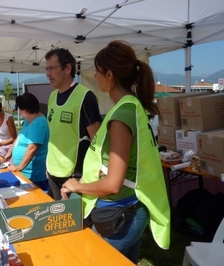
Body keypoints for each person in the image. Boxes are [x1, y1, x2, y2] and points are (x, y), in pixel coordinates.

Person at [60, 40, 171, 263]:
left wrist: (77, 186)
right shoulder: (129, 106)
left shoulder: (122, 115)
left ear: (109, 74)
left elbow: (113, 184)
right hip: (126, 209)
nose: (95, 76)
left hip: (122, 214)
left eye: (97, 71)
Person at [45, 48, 102, 200]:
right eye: (46, 69)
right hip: (52, 171)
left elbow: (97, 141)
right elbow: (54, 134)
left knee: (77, 222)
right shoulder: (52, 97)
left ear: (67, 68)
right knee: (59, 219)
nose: (47, 73)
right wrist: (48, 166)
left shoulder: (85, 96)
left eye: (52, 68)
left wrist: (84, 179)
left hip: (74, 176)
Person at [4, 92, 50, 191]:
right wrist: (10, 152)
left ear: (26, 109)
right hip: (25, 174)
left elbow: (32, 148)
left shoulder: (38, 124)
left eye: (20, 109)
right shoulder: (27, 121)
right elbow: (19, 137)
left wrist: (20, 167)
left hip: (34, 176)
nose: (19, 111)